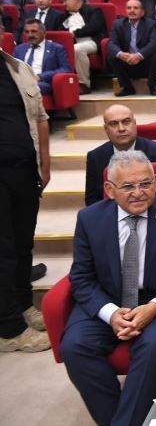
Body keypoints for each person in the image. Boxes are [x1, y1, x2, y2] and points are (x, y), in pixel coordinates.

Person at [60, 151, 156, 426]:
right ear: (109, 189)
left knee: (153, 346)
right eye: (127, 186)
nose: (138, 193)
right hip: (107, 301)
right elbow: (81, 277)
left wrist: (154, 308)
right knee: (74, 346)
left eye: (145, 183)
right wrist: (111, 313)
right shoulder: (90, 219)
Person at [0, 48, 50, 353]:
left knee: (22, 244)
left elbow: (40, 118)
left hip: (23, 171)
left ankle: (23, 305)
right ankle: (9, 329)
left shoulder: (18, 68)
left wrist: (45, 163)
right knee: (3, 250)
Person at [84, 105, 156, 207]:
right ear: (106, 129)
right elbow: (92, 200)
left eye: (126, 122)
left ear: (135, 124)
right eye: (114, 124)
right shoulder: (95, 157)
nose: (121, 128)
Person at [107, 0, 156, 97]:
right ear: (125, 11)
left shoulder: (151, 24)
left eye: (136, 8)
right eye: (129, 8)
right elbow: (111, 43)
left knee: (155, 55)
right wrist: (121, 54)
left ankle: (152, 86)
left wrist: (139, 55)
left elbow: (155, 43)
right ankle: (127, 87)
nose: (132, 10)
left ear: (142, 12)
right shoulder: (118, 24)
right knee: (112, 56)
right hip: (127, 62)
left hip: (145, 63)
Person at [62, 0, 106, 95]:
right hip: (72, 42)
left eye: (65, 0)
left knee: (77, 49)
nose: (63, 4)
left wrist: (74, 34)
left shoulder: (94, 10)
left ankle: (84, 84)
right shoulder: (65, 14)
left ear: (75, 0)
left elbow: (94, 27)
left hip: (92, 41)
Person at [13, 19, 70, 96]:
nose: (30, 35)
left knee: (28, 87)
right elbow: (12, 67)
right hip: (21, 81)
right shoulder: (19, 49)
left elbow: (65, 69)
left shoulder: (56, 48)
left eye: (34, 31)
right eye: (27, 32)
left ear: (44, 32)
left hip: (42, 83)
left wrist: (41, 76)